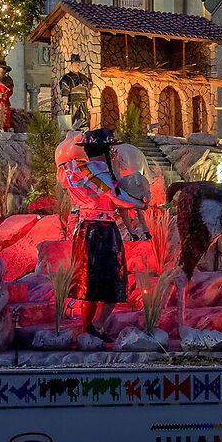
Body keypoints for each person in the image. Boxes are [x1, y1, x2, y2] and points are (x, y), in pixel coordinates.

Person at [58, 128, 149, 338]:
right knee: (112, 282)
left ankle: (86, 330)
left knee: (87, 286)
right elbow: (117, 198)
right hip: (102, 231)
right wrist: (140, 203)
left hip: (83, 230)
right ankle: (97, 325)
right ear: (107, 150)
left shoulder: (75, 170)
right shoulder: (99, 172)